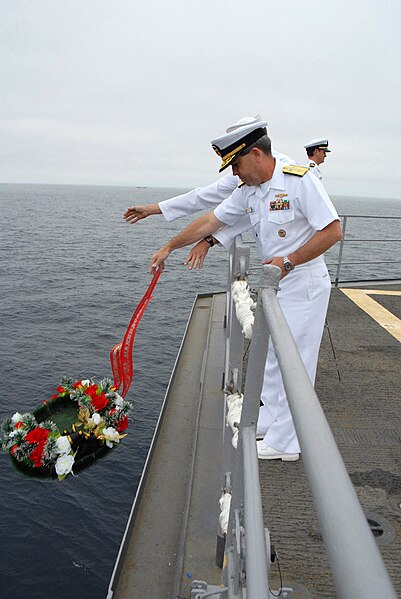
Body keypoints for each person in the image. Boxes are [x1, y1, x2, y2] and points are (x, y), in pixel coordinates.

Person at [150, 120, 342, 461]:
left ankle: (288, 441)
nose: (235, 174)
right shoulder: (250, 190)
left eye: (236, 165)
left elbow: (332, 231)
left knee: (294, 362)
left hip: (303, 282)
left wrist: (290, 261)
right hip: (277, 283)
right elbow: (211, 221)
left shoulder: (300, 180)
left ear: (255, 154)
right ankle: (269, 419)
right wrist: (169, 246)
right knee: (270, 355)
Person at [124, 116, 296, 270]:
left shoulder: (284, 175)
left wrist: (210, 240)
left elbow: (253, 215)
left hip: (295, 267)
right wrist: (152, 209)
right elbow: (203, 197)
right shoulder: (244, 175)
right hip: (276, 268)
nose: (235, 171)